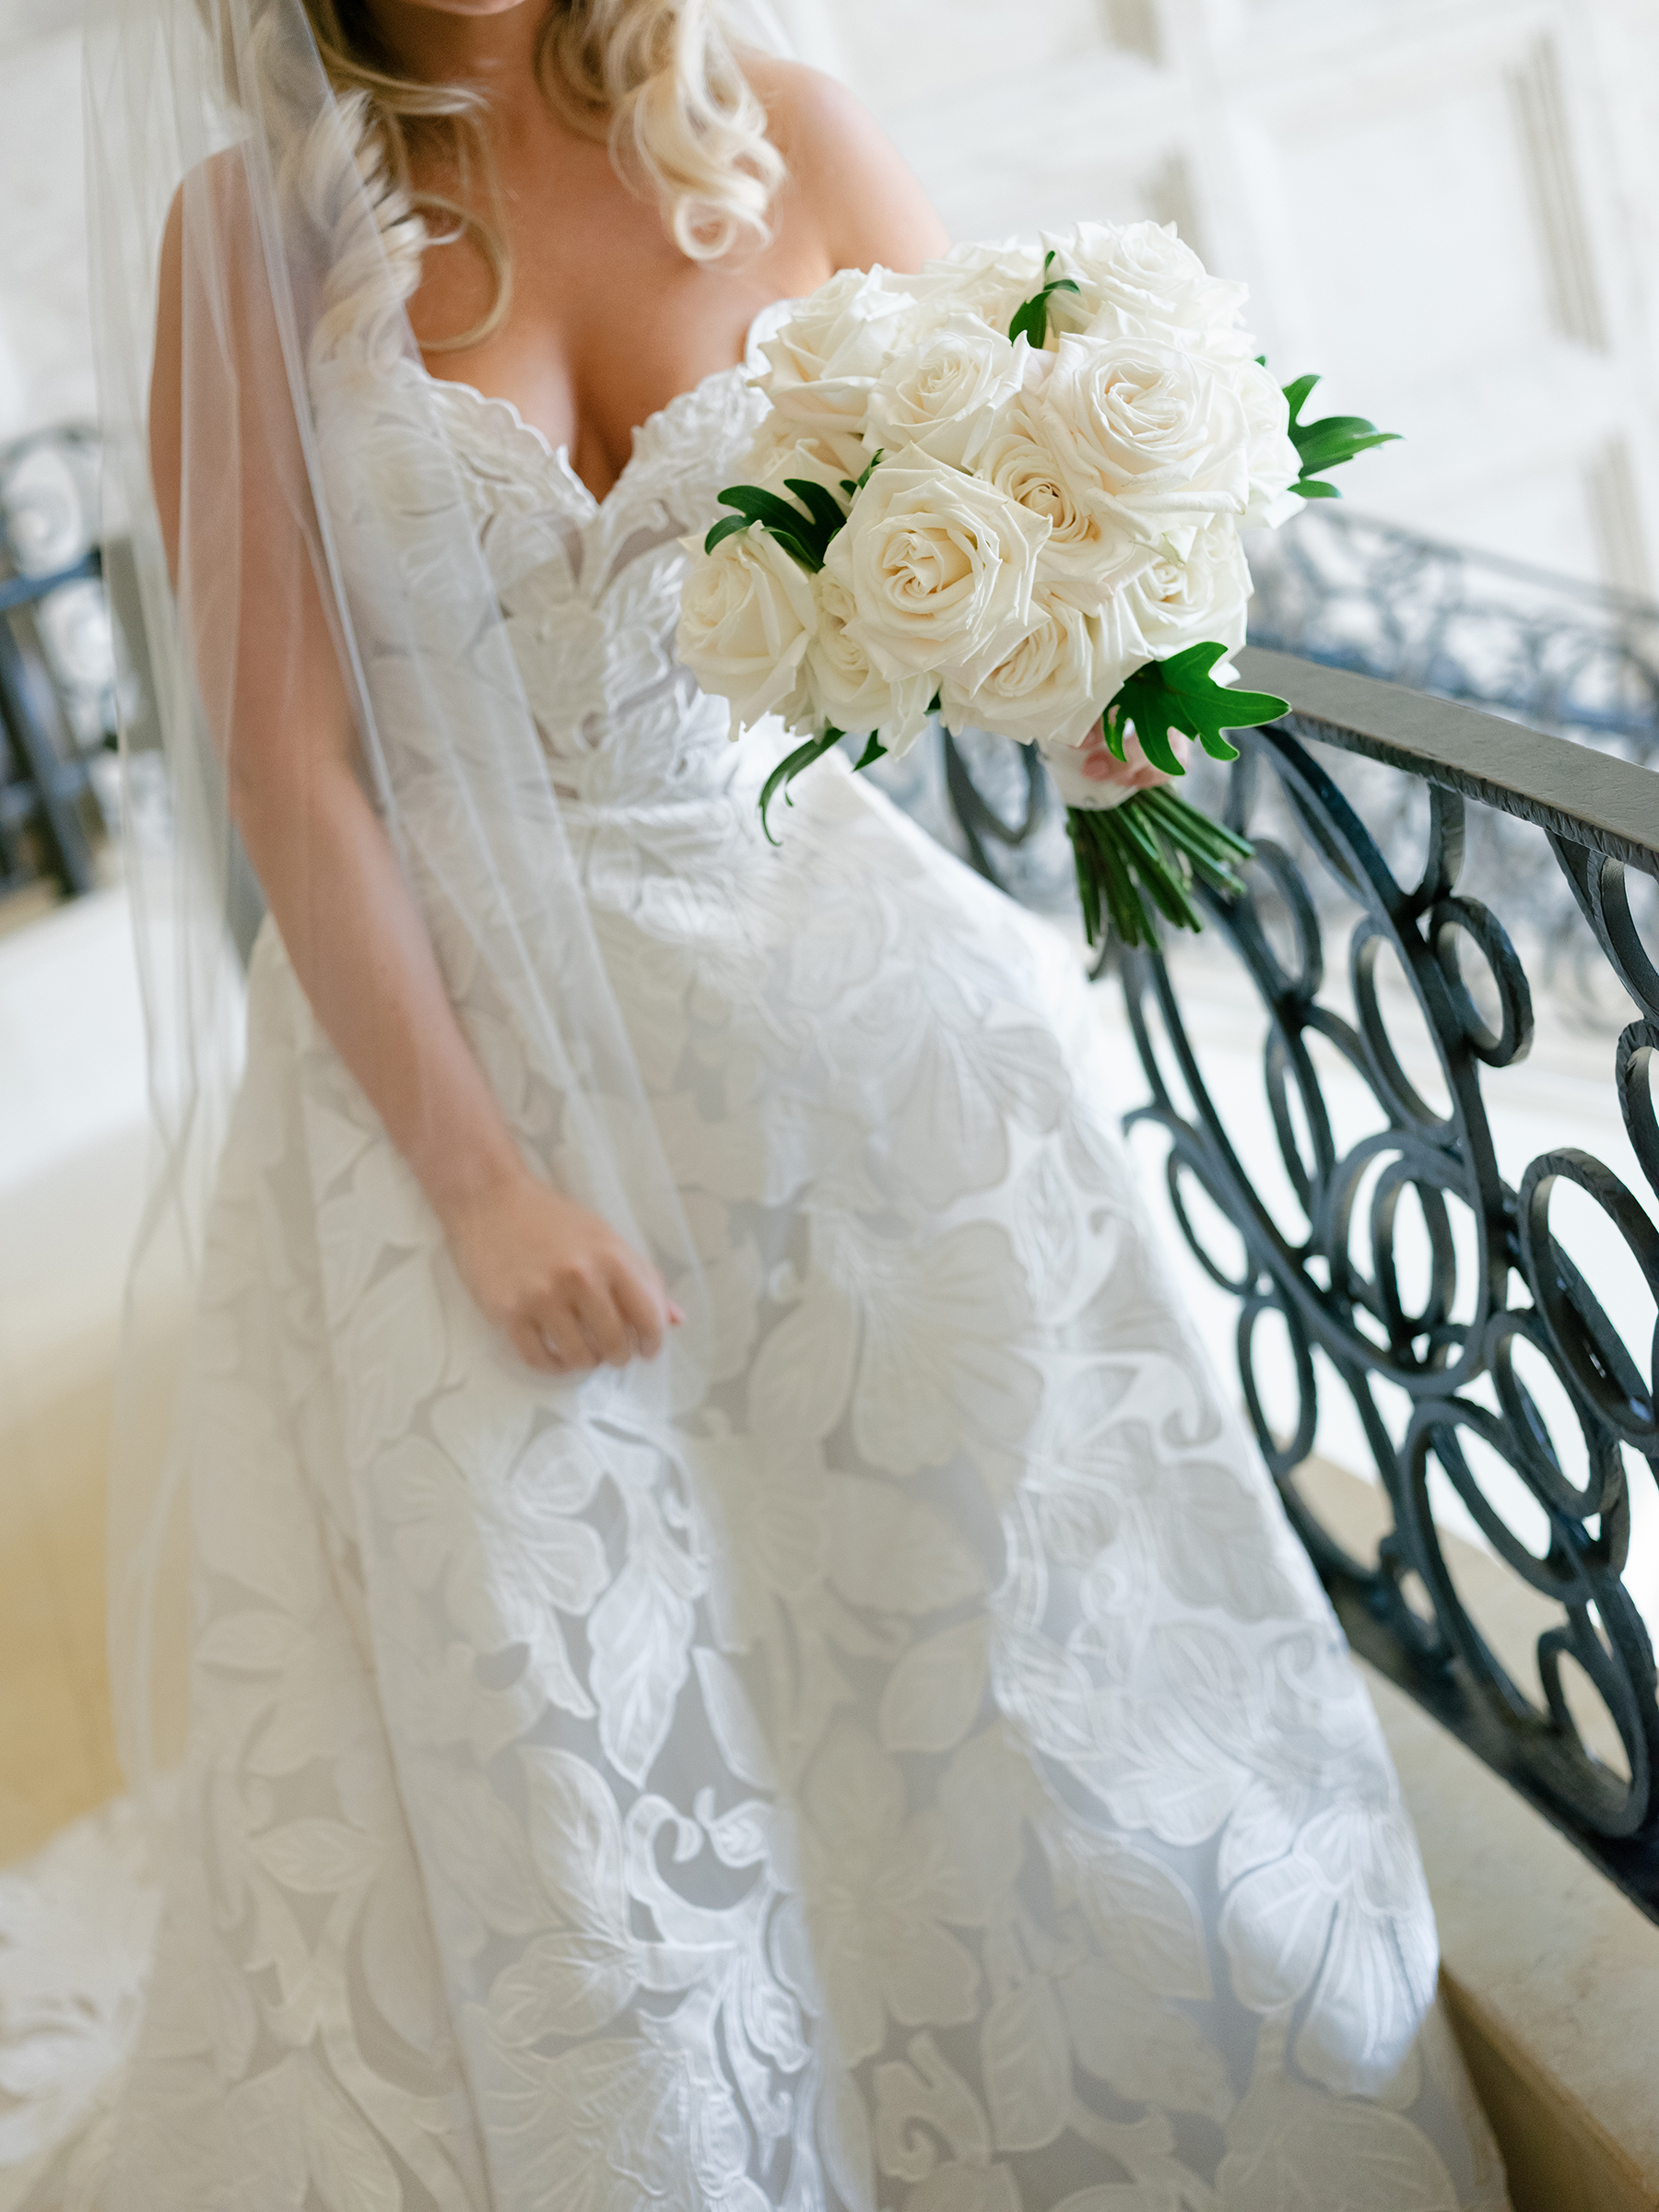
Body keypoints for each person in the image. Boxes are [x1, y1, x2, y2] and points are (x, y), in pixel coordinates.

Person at [52, 0, 1508, 2204]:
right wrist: (480, 1186)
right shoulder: (248, 234)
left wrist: (1102, 684)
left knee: (977, 1610)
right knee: (602, 1691)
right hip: (453, 1062)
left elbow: (998, 522)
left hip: (828, 1001)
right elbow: (291, 766)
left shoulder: (785, 127)